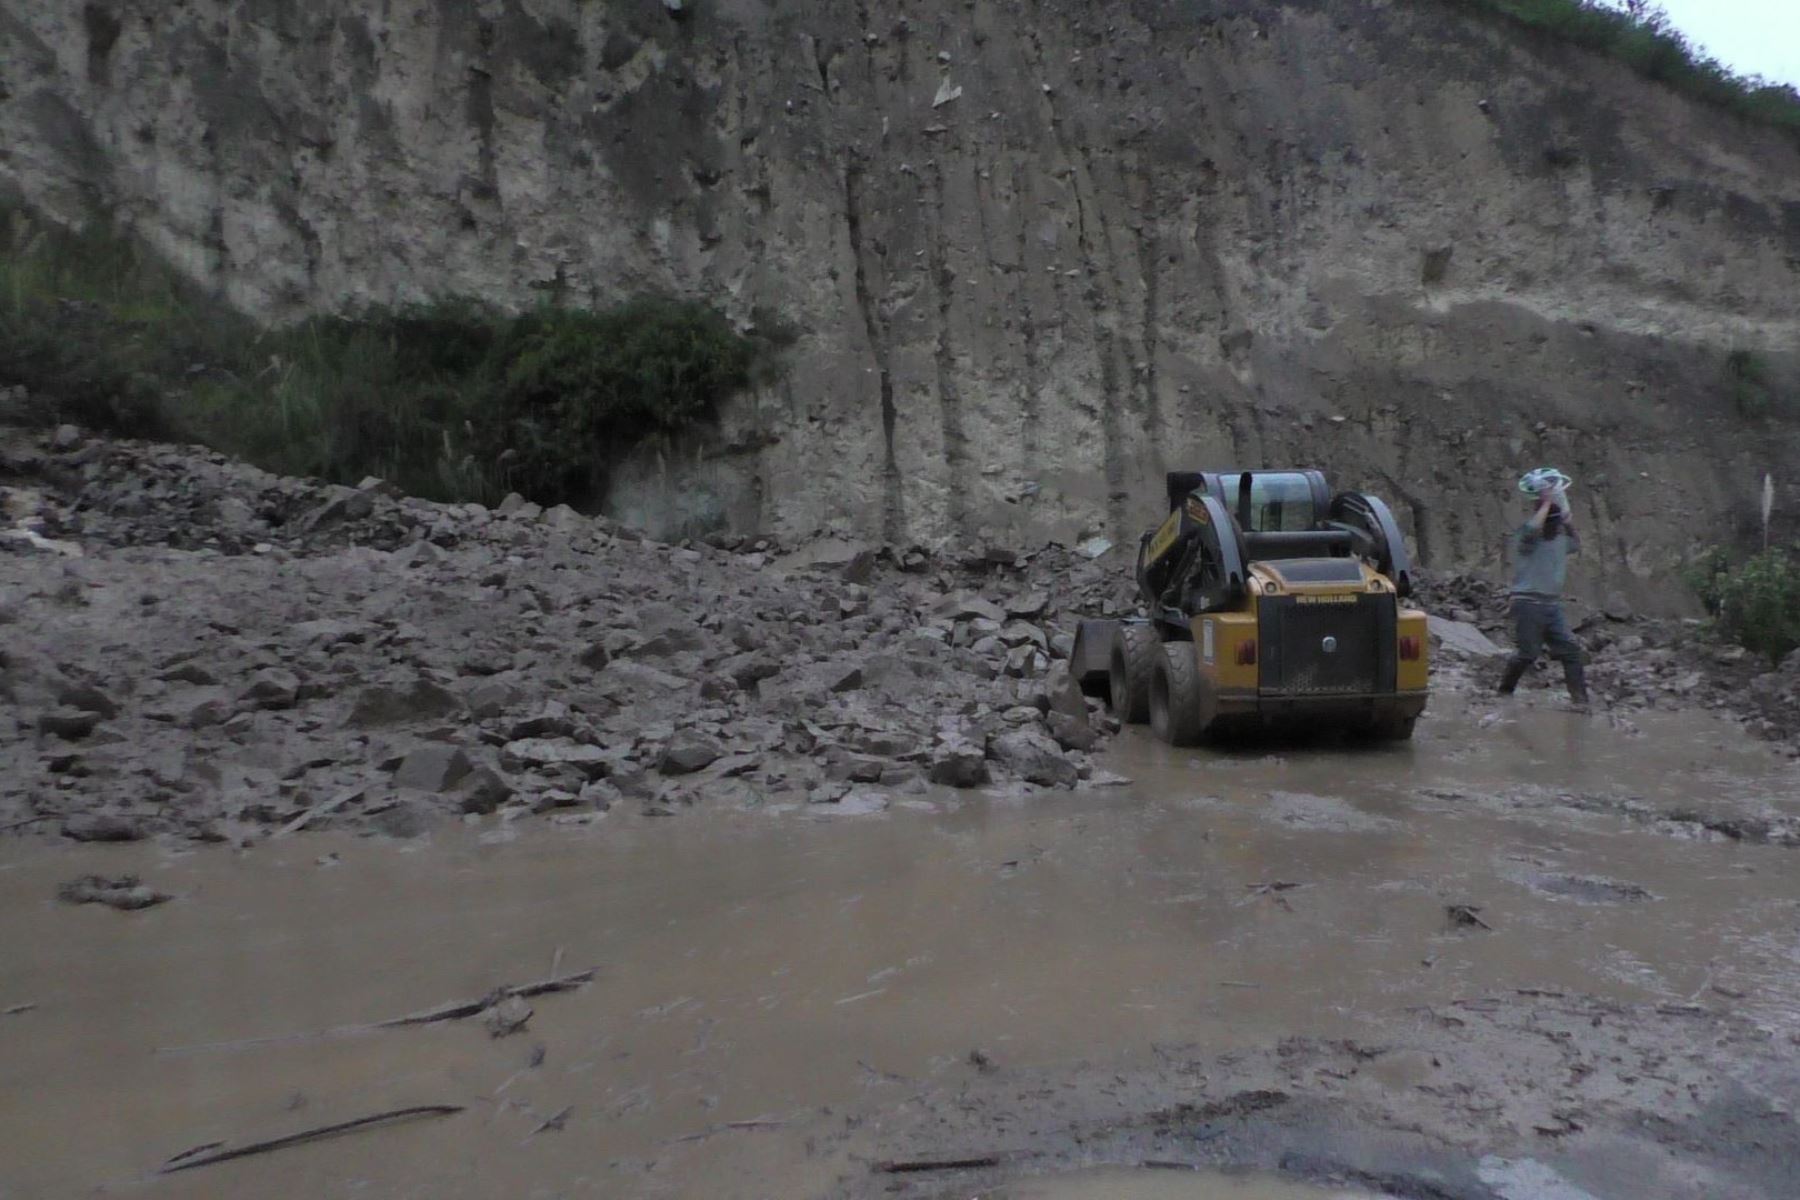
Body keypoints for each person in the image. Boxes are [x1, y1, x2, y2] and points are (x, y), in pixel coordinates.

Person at [1498, 468, 1588, 709]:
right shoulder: (1527, 538)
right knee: (1528, 654)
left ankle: (1580, 701)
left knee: (1570, 651)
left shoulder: (1559, 540)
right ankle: (1504, 691)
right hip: (1527, 602)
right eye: (1551, 520)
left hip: (1551, 605)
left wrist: (1568, 523)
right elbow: (1532, 528)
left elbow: (1577, 544)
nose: (1553, 524)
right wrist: (1546, 502)